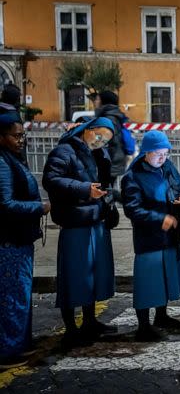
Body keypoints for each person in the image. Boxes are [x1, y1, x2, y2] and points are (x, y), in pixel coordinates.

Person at [42, 116, 117, 348]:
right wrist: (84, 190)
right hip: (75, 222)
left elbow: (106, 183)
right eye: (99, 135)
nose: (101, 141)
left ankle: (89, 321)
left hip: (96, 219)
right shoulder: (65, 151)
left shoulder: (98, 154)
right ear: (87, 130)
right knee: (74, 276)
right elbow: (51, 180)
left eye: (106, 139)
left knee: (93, 275)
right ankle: (71, 329)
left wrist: (108, 201)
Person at [121, 130, 180, 342]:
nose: (163, 158)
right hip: (149, 238)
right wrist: (158, 218)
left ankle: (161, 315)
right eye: (158, 154)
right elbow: (132, 209)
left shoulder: (167, 168)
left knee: (166, 278)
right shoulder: (132, 177)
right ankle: (143, 325)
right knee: (148, 281)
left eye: (165, 154)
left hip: (170, 235)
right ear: (145, 153)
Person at [0, 112, 49, 369]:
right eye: (16, 135)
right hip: (9, 240)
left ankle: (18, 345)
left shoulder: (12, 159)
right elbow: (5, 204)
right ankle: (7, 352)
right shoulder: (2, 163)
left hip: (20, 238)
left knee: (20, 293)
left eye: (23, 135)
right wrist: (38, 208)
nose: (21, 140)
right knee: (12, 296)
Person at [94, 90, 128, 188]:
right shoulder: (110, 116)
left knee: (102, 191)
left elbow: (110, 141)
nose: (95, 102)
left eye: (97, 99)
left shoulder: (108, 118)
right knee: (104, 191)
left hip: (110, 162)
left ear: (103, 101)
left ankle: (127, 201)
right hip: (110, 160)